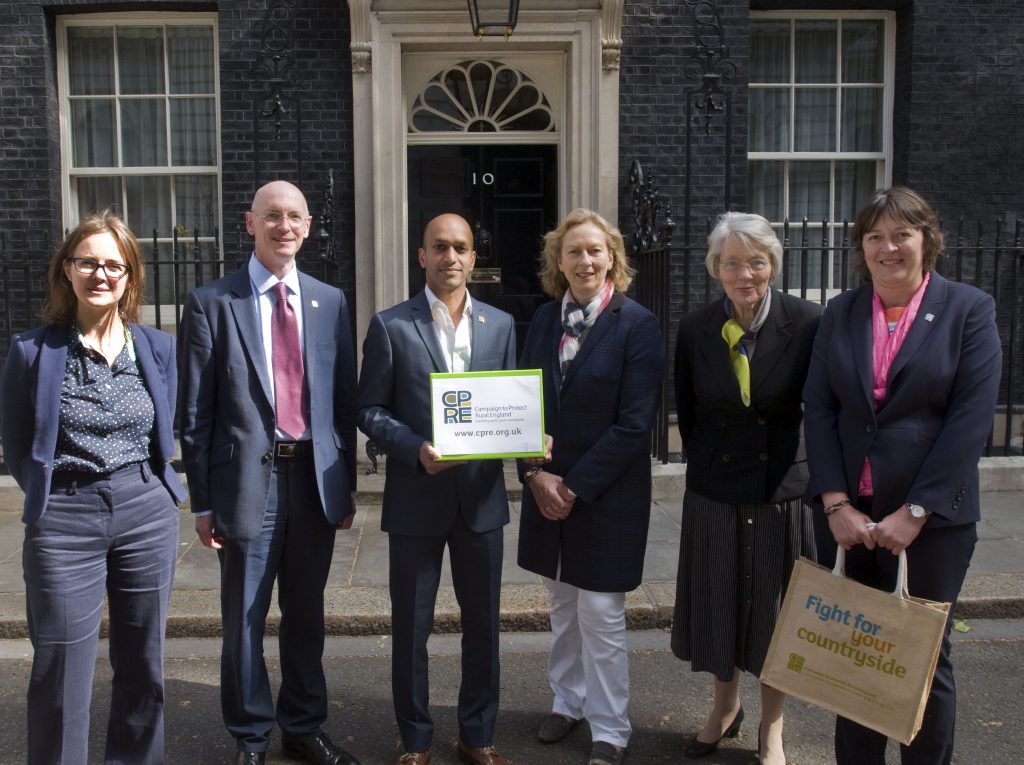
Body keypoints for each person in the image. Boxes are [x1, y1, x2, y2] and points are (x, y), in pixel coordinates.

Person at [803, 187, 1002, 765]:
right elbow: (819, 408)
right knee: (853, 656)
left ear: (926, 240)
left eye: (901, 235)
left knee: (921, 659)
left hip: (932, 521)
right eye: (874, 237)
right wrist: (836, 503)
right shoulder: (840, 311)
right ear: (861, 247)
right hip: (851, 518)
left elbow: (970, 419)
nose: (888, 248)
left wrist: (916, 511)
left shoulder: (969, 309)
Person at [178, 181, 360, 765]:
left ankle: (303, 726)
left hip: (313, 481)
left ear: (308, 227)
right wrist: (202, 503)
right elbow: (196, 415)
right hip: (246, 487)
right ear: (250, 223)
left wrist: (345, 484)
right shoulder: (212, 302)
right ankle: (251, 735)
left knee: (306, 615)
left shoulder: (329, 301)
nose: (285, 226)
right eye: (273, 216)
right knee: (246, 619)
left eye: (295, 217)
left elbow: (342, 402)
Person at [0, 211, 187, 763]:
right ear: (67, 271)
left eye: (114, 264)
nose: (100, 274)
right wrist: (50, 494)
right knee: (59, 670)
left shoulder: (156, 347)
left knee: (143, 667)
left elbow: (166, 426)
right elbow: (15, 442)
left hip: (145, 509)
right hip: (64, 516)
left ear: (131, 276)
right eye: (88, 262)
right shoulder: (33, 351)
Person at [356, 214, 516, 765]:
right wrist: (413, 448)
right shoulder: (390, 325)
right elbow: (369, 410)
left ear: (474, 258)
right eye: (440, 247)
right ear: (421, 256)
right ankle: (416, 740)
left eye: (461, 248)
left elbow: (512, 402)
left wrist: (529, 434)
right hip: (417, 497)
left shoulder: (501, 324)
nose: (451, 256)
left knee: (484, 630)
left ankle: (477, 734)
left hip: (481, 500)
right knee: (411, 628)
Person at [670, 212, 822, 765]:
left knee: (777, 614)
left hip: (781, 493)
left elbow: (820, 410)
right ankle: (725, 707)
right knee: (720, 604)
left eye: (756, 262)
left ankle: (772, 727)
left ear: (772, 265)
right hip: (715, 492)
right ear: (716, 268)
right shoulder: (694, 328)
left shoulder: (807, 322)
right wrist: (711, 465)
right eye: (732, 262)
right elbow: (688, 414)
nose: (744, 274)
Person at [516, 208, 664, 765]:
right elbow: (521, 407)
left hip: (605, 497)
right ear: (559, 260)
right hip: (547, 491)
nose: (585, 260)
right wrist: (534, 474)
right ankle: (567, 701)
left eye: (595, 251)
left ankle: (610, 728)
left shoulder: (637, 324)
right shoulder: (542, 322)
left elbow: (635, 423)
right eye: (574, 251)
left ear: (613, 259)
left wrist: (572, 486)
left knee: (601, 615)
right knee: (562, 607)